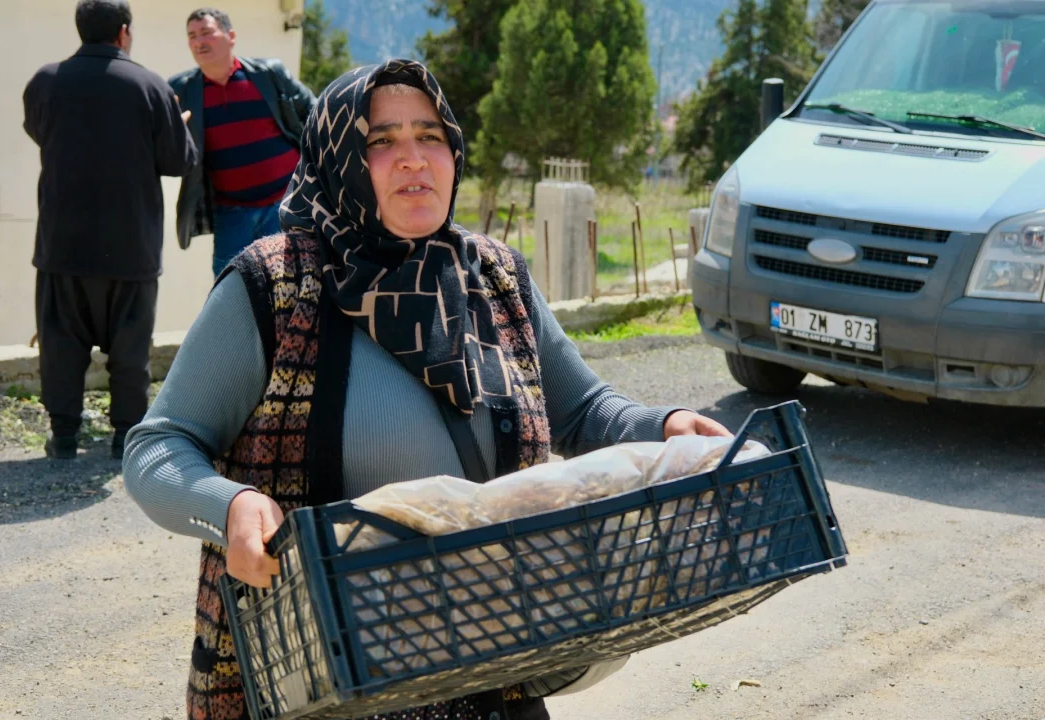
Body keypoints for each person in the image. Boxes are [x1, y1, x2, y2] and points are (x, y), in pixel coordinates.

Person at [124, 59, 731, 720]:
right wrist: (233, 505)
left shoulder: (493, 277)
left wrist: (666, 425)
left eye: (429, 135)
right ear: (339, 160)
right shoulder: (273, 288)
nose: (413, 159)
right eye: (381, 141)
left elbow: (582, 408)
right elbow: (158, 447)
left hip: (496, 671)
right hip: (330, 686)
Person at [23, 0, 198, 461]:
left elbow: (40, 132)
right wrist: (178, 127)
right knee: (130, 347)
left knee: (60, 344)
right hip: (130, 245)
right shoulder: (150, 85)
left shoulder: (45, 81)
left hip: (63, 241)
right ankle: (125, 438)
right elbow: (179, 161)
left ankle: (63, 437)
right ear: (124, 32)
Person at [168, 6, 316, 278]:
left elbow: (315, 113)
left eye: (206, 32)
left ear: (230, 36)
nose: (199, 41)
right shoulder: (181, 90)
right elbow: (165, 146)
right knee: (229, 293)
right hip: (231, 214)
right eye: (192, 36)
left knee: (291, 287)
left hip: (284, 206)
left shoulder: (268, 74)